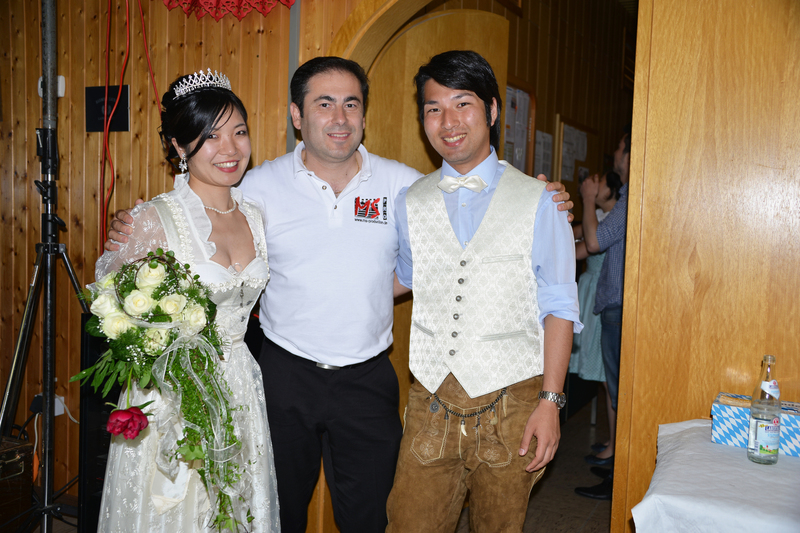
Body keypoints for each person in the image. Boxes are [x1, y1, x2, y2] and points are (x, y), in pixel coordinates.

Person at [107, 56, 574, 533]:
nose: (340, 117)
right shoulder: (256, 186)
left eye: (351, 104)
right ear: (297, 115)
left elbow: (432, 256)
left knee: (372, 519)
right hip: (282, 376)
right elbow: (200, 206)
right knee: (273, 512)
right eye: (324, 104)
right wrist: (137, 222)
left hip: (368, 381)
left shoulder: (406, 187)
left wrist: (542, 197)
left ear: (364, 114)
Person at [386, 50, 581, 532]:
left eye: (463, 104)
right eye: (434, 109)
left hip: (512, 403)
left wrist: (551, 402)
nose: (448, 122)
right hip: (431, 401)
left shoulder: (541, 201)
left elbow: (559, 305)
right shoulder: (410, 201)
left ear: (492, 111)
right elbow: (404, 277)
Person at [95, 72, 280, 531]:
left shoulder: (255, 216)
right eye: (210, 136)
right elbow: (108, 305)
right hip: (172, 394)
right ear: (179, 146)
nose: (230, 148)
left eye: (239, 132)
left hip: (239, 383)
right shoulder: (151, 219)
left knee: (237, 506)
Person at [574, 127, 631, 500]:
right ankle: (615, 466)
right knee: (614, 390)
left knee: (617, 392)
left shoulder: (629, 199)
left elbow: (593, 242)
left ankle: (617, 478)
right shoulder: (626, 197)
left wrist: (586, 197)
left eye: (621, 148)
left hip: (617, 304)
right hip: (614, 303)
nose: (615, 154)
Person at [570, 170, 623, 469]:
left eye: (599, 182)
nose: (592, 184)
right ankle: (614, 441)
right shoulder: (603, 218)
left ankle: (616, 446)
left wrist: (587, 198)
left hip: (603, 302)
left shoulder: (613, 220)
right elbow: (577, 237)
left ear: (612, 190)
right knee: (606, 381)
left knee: (609, 380)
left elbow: (584, 248)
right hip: (594, 297)